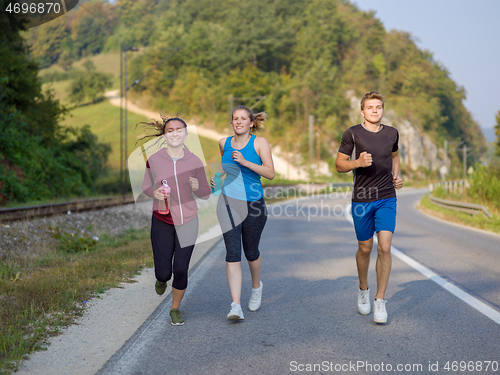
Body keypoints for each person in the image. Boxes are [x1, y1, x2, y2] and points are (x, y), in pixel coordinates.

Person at [335, 92, 403, 324]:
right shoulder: (352, 134)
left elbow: (395, 155)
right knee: (365, 248)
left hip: (386, 197)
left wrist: (397, 175)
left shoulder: (392, 133)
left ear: (383, 110)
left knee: (384, 247)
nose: (374, 110)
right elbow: (339, 165)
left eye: (378, 107)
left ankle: (380, 300)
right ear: (362, 112)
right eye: (370, 107)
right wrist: (357, 163)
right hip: (362, 198)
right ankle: (363, 288)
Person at [140, 116, 210, 326]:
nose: (175, 133)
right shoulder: (154, 159)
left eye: (179, 130)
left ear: (186, 134)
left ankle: (175, 308)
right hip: (162, 220)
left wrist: (198, 187)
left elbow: (206, 194)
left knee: (181, 268)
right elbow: (145, 186)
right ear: (165, 135)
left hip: (188, 220)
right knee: (164, 271)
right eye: (170, 130)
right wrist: (155, 193)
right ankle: (161, 278)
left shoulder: (195, 161)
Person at [211, 106, 274, 321]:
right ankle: (235, 305)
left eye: (242, 119)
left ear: (251, 122)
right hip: (228, 202)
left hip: (254, 204)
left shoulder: (259, 143)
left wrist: (246, 162)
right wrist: (216, 178)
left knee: (251, 251)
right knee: (232, 252)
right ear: (232, 122)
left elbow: (270, 173)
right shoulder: (224, 143)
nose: (238, 122)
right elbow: (224, 165)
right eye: (234, 119)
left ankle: (256, 287)